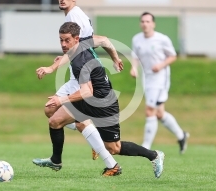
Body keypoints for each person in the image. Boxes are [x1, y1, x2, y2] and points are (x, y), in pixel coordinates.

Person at [35, 21, 165, 178]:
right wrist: (51, 68)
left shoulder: (79, 62)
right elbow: (103, 40)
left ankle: (154, 155)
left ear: (76, 39)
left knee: (114, 148)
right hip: (90, 100)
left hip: (104, 104)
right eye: (61, 40)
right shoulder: (80, 45)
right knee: (54, 120)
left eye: (66, 40)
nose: (63, 44)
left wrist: (61, 99)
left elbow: (86, 92)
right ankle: (56, 160)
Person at [35, 0, 122, 162]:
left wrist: (52, 68)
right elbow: (101, 40)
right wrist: (115, 57)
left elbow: (80, 47)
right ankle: (90, 138)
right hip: (81, 72)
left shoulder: (74, 17)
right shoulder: (76, 15)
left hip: (82, 76)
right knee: (52, 112)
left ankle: (91, 143)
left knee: (53, 112)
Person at [130, 12, 189, 154]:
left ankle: (146, 146)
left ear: (153, 24)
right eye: (143, 21)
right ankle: (182, 136)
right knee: (160, 114)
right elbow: (135, 56)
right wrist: (133, 68)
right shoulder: (137, 39)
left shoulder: (162, 39)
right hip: (147, 78)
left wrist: (161, 65)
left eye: (148, 21)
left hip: (160, 78)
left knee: (150, 110)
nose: (145, 24)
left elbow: (173, 56)